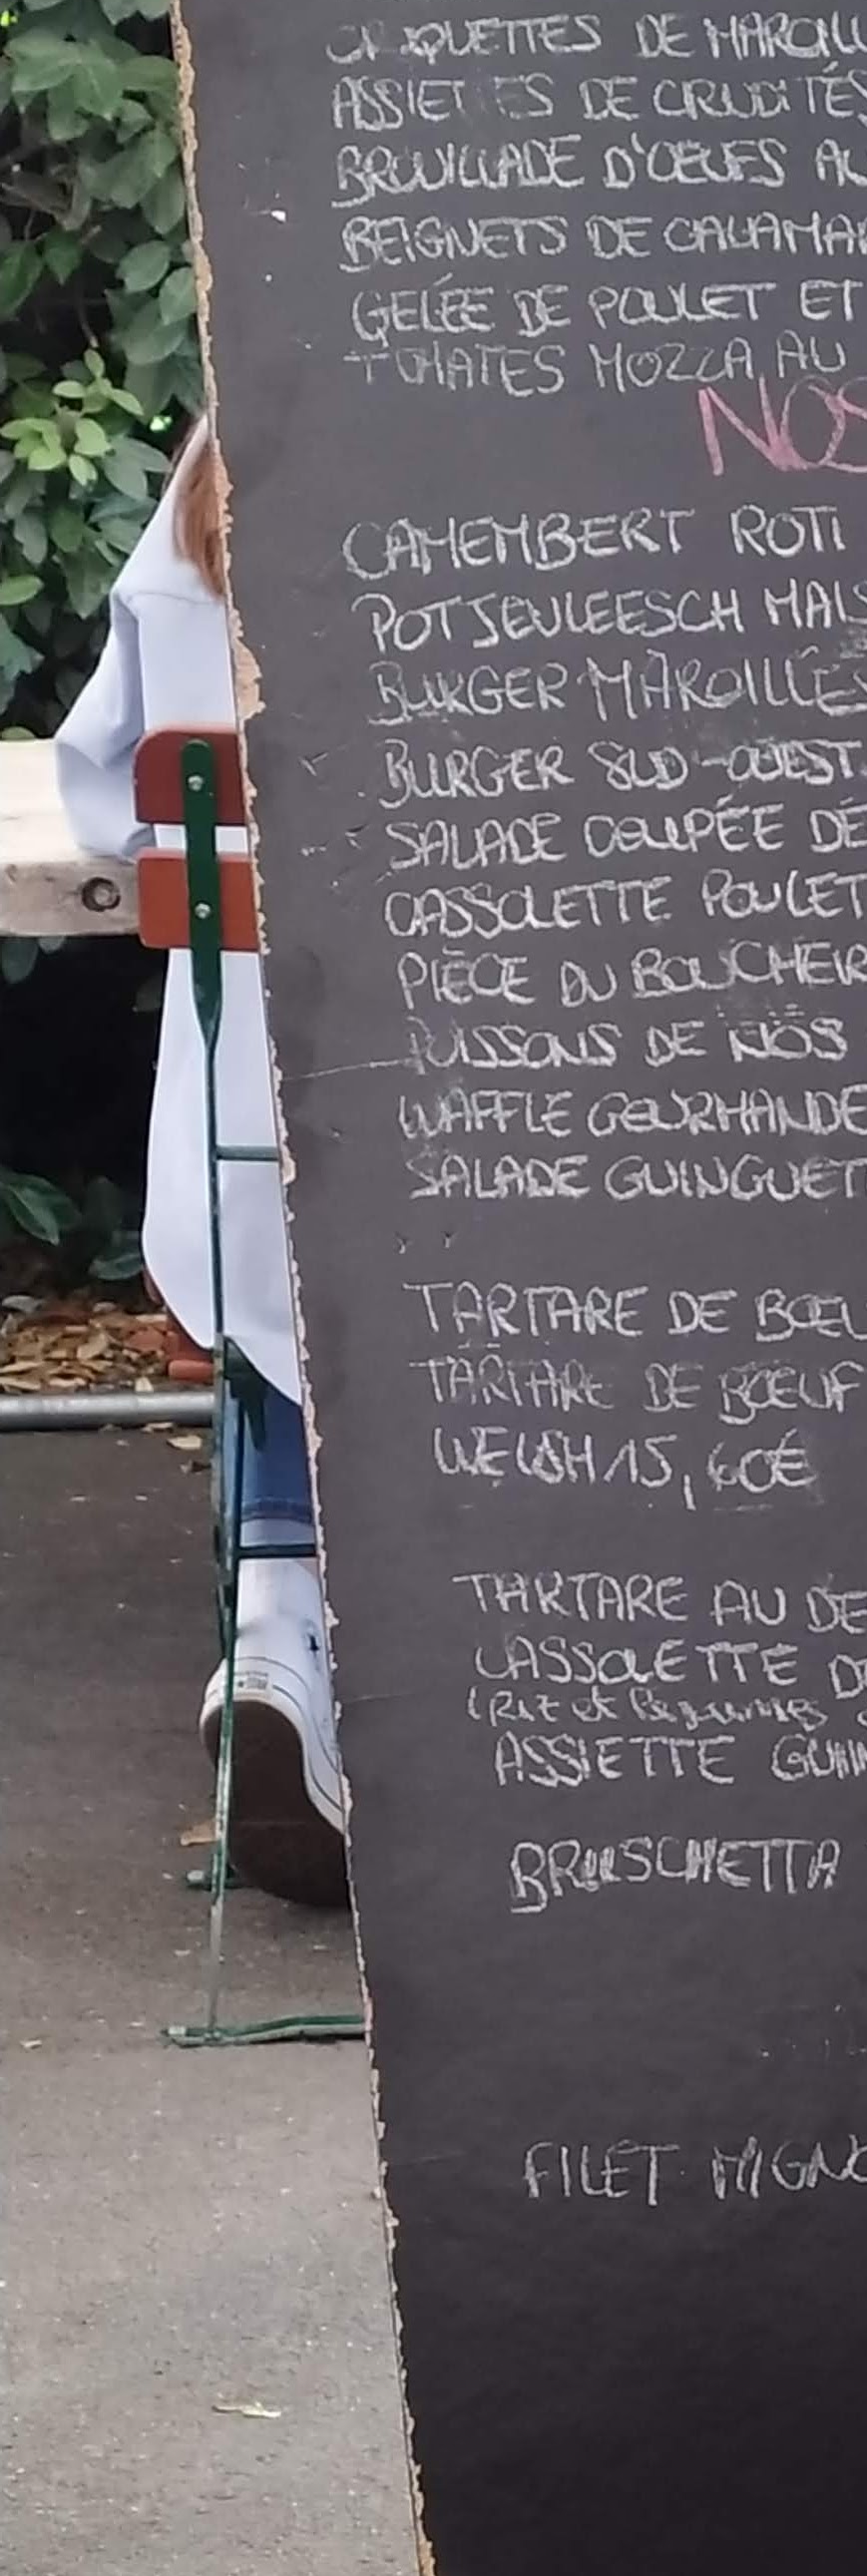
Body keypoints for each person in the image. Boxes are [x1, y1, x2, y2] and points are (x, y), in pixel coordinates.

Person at [53, 424, 346, 1904]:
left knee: (269, 1270)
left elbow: (111, 790)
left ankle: (277, 1623)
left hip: (262, 1082)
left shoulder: (204, 503)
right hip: (508, 1077)